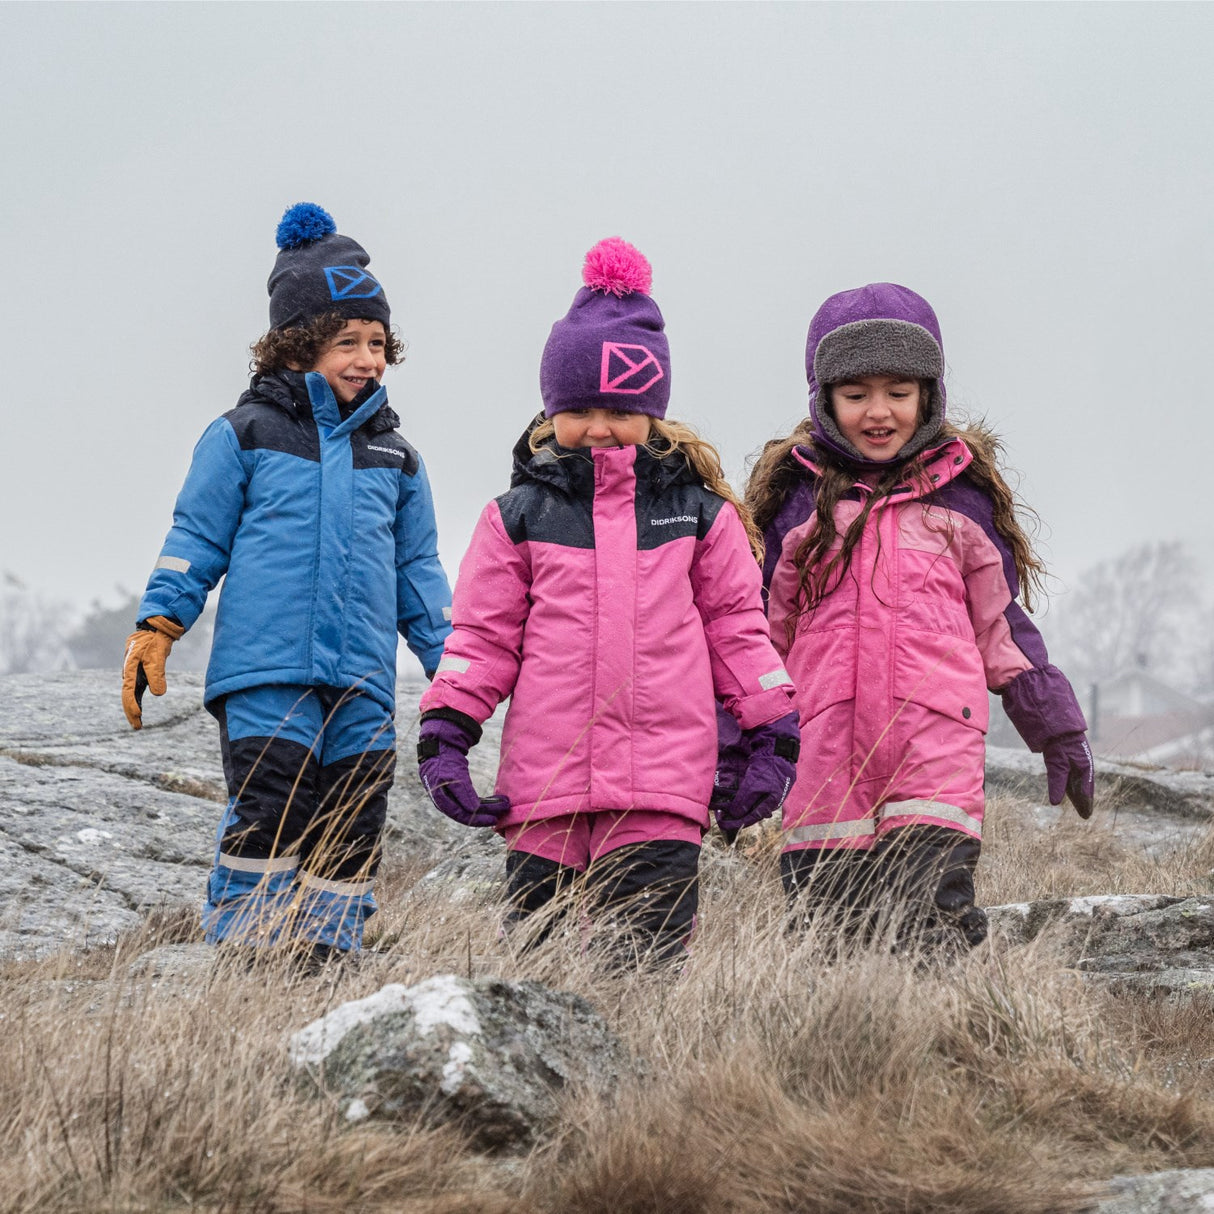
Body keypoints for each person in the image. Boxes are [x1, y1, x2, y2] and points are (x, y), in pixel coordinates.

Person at [416, 237, 799, 967]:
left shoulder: (701, 516)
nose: (599, 426)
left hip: (661, 792)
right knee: (537, 968)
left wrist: (773, 734)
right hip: (543, 794)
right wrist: (447, 733)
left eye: (620, 409)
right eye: (580, 408)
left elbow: (739, 636)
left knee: (643, 970)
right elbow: (481, 641)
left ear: (652, 412)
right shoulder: (516, 518)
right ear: (551, 407)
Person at [121, 203, 453, 967]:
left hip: (364, 684)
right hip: (267, 676)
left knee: (354, 816)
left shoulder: (397, 458)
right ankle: (248, 954)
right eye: (348, 341)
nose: (367, 358)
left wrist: (455, 665)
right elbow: (195, 538)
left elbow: (419, 573)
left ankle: (327, 960)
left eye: (377, 342)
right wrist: (159, 624)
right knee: (270, 810)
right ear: (298, 345)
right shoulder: (243, 434)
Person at [745, 282, 1093, 951]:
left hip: (932, 752)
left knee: (933, 921)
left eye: (898, 392)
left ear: (929, 395)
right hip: (824, 758)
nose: (879, 412)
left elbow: (1003, 629)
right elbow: (757, 640)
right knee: (829, 935)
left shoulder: (961, 503)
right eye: (856, 395)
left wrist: (1056, 725)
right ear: (823, 398)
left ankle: (941, 1046)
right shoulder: (795, 506)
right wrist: (739, 748)